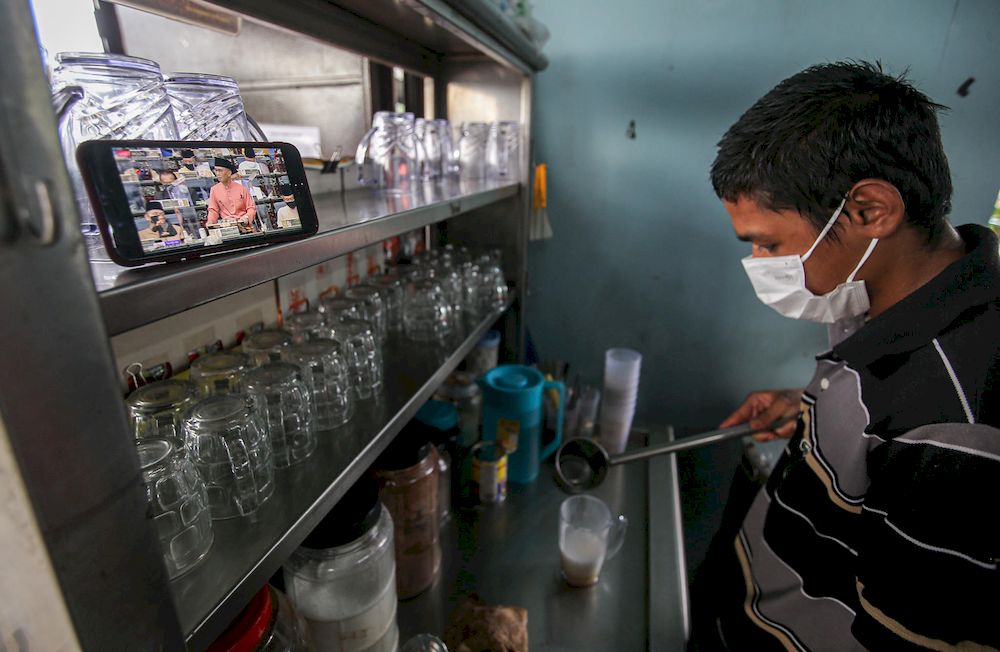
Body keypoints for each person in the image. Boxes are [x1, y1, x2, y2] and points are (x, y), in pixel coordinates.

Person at [689, 61, 1000, 651]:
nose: (759, 262)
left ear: (870, 211)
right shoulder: (875, 300)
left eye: (770, 243)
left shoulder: (957, 431)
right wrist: (816, 417)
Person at [206, 157, 256, 226]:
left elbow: (251, 208)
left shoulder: (241, 188)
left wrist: (246, 218)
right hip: (227, 225)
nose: (217, 174)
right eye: (216, 171)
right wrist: (210, 222)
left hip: (243, 224)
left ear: (229, 173)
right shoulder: (214, 190)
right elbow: (213, 210)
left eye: (220, 171)